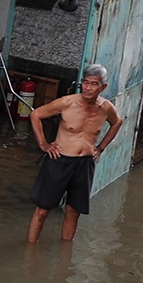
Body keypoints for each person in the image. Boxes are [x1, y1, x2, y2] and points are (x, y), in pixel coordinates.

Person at [27, 65, 123, 242]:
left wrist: (101, 147)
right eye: (85, 82)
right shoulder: (67, 102)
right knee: (42, 210)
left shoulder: (106, 108)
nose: (88, 87)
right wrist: (44, 144)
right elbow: (36, 115)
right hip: (59, 160)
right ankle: (29, 253)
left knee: (73, 211)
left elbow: (117, 122)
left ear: (103, 87)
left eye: (94, 84)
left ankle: (64, 257)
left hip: (84, 164)